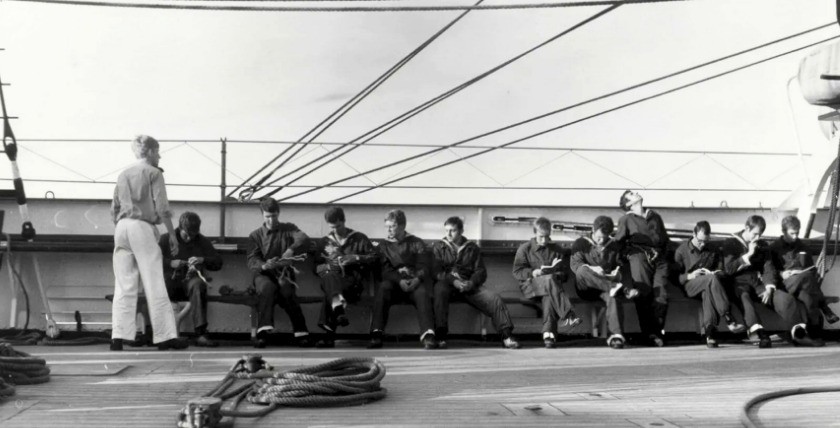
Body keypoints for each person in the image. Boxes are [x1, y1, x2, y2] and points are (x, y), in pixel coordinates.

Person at [110, 135, 187, 351]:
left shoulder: (123, 174)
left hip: (122, 226)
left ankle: (118, 336)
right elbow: (162, 208)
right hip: (142, 226)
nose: (160, 156)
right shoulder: (153, 173)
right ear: (151, 152)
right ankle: (164, 337)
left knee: (124, 284)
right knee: (154, 282)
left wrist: (121, 226)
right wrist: (172, 234)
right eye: (158, 151)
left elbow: (113, 208)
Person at [722, 215, 822, 348]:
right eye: (755, 234)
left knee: (786, 299)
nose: (757, 238)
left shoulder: (762, 245)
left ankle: (799, 334)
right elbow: (728, 269)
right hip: (739, 284)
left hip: (759, 283)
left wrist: (769, 287)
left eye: (760, 234)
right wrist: (748, 255)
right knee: (745, 298)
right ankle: (758, 332)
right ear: (746, 228)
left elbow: (768, 268)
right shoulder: (731, 243)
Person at [432, 216, 520, 349]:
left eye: (453, 230)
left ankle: (506, 336)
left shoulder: (472, 248)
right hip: (448, 284)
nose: (448, 234)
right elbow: (436, 271)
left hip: (469, 286)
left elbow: (480, 271)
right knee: (439, 290)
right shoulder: (439, 247)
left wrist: (471, 283)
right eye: (446, 231)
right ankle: (440, 336)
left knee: (494, 299)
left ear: (461, 231)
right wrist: (453, 281)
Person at [247, 197, 312, 348]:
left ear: (279, 213)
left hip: (283, 273)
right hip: (263, 274)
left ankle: (301, 333)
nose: (271, 220)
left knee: (287, 291)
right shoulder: (255, 235)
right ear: (262, 215)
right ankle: (263, 333)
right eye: (267, 217)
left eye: (274, 216)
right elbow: (252, 260)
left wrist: (291, 249)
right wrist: (264, 266)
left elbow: (304, 238)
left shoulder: (289, 229)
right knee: (266, 289)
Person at [608, 190, 669, 347]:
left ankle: (656, 331)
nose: (636, 193)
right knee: (644, 293)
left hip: (659, 259)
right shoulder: (626, 220)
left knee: (661, 294)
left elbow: (665, 240)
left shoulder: (655, 216)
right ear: (629, 203)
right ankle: (650, 334)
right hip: (639, 258)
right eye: (632, 194)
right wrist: (624, 256)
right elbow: (619, 242)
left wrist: (661, 254)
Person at [369, 209, 436, 349]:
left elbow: (424, 265)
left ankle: (428, 334)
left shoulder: (416, 242)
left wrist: (417, 279)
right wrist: (399, 280)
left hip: (414, 283)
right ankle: (376, 333)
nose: (388, 229)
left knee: (423, 293)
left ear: (402, 226)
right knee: (383, 288)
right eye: (387, 226)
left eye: (392, 226)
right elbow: (384, 270)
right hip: (394, 284)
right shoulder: (383, 246)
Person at [313, 206, 378, 348]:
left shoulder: (359, 238)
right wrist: (329, 266)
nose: (336, 230)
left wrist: (355, 258)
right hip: (332, 280)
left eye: (338, 226)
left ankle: (329, 334)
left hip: (352, 285)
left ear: (344, 221)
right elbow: (316, 267)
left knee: (330, 293)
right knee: (330, 277)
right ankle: (338, 310)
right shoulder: (325, 242)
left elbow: (374, 258)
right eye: (332, 227)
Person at [673, 221, 745, 348]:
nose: (702, 244)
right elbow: (674, 277)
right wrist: (690, 275)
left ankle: (710, 333)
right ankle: (728, 317)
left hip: (710, 284)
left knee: (709, 288)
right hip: (690, 285)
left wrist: (717, 273)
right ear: (693, 234)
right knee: (710, 280)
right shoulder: (681, 250)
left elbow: (722, 270)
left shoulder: (713, 249)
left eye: (706, 241)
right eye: (700, 241)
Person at [512, 217, 580, 348]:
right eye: (541, 237)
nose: (544, 241)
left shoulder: (557, 250)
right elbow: (517, 272)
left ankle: (548, 335)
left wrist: (557, 274)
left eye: (547, 237)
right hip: (530, 287)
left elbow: (565, 275)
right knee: (549, 282)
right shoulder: (525, 248)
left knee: (549, 292)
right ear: (534, 232)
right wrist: (533, 272)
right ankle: (567, 315)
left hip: (550, 289)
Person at [570, 216, 637, 349]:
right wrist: (592, 268)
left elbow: (618, 267)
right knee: (582, 271)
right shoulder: (580, 243)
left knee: (613, 296)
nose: (601, 240)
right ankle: (617, 288)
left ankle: (616, 336)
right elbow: (575, 266)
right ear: (592, 230)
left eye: (604, 238)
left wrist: (616, 274)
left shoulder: (613, 246)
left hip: (605, 288)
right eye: (598, 237)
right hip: (585, 287)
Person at [769, 215, 839, 338]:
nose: (795, 237)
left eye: (797, 233)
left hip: (802, 284)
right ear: (783, 231)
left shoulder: (803, 247)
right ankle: (824, 305)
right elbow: (769, 270)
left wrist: (807, 270)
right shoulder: (774, 248)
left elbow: (810, 269)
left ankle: (813, 331)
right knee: (806, 277)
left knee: (808, 299)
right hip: (784, 284)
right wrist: (782, 273)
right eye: (792, 233)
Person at [159, 211, 222, 347]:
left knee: (199, 285)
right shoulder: (165, 239)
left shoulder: (201, 240)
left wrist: (202, 259)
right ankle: (161, 333)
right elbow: (152, 259)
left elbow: (218, 262)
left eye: (192, 236)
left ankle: (200, 334)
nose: (188, 238)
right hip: (170, 282)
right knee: (159, 285)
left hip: (190, 282)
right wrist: (170, 263)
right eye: (185, 235)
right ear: (179, 228)